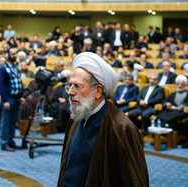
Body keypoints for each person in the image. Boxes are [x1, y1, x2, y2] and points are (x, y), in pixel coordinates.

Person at [58, 52, 148, 186]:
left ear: (98, 91)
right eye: (70, 86)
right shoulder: (76, 118)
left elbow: (133, 180)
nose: (70, 91)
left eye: (77, 86)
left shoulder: (121, 128)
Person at [0, 48, 25, 151]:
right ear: (7, 55)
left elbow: (19, 82)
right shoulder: (3, 69)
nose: (15, 55)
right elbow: (2, 86)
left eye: (15, 54)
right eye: (13, 54)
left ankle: (11, 141)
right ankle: (4, 144)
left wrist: (21, 96)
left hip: (16, 98)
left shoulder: (16, 67)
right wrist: (4, 101)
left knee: (13, 121)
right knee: (6, 122)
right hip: (8, 99)